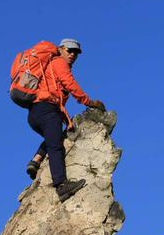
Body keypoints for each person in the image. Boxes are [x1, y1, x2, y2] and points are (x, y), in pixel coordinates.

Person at [26, 38, 106, 202]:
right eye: (69, 50)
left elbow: (57, 100)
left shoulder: (51, 66)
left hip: (36, 112)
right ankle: (61, 186)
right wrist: (89, 102)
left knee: (55, 138)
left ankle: (35, 161)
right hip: (46, 110)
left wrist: (67, 121)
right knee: (56, 147)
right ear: (61, 49)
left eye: (75, 53)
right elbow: (70, 83)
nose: (72, 55)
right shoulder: (59, 63)